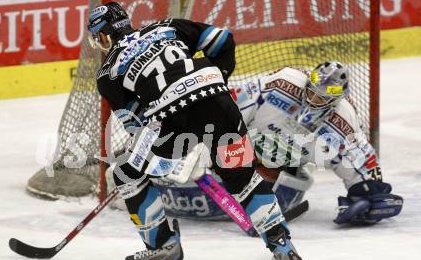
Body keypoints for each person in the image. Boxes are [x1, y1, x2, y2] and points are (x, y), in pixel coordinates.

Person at [87, 2, 302, 260]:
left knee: (126, 175)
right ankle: (282, 245)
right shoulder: (167, 26)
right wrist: (213, 83)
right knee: (242, 177)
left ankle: (163, 248)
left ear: (103, 35)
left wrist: (160, 155)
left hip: (172, 119)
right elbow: (223, 40)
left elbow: (137, 125)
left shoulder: (108, 73)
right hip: (217, 98)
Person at [108, 61, 403, 227]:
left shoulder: (343, 121)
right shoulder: (282, 84)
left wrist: (368, 194)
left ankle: (250, 198)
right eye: (311, 91)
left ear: (337, 99)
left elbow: (363, 167)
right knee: (185, 159)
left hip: (279, 167)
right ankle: (139, 181)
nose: (313, 99)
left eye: (322, 98)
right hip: (236, 147)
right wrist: (201, 140)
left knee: (271, 179)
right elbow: (229, 108)